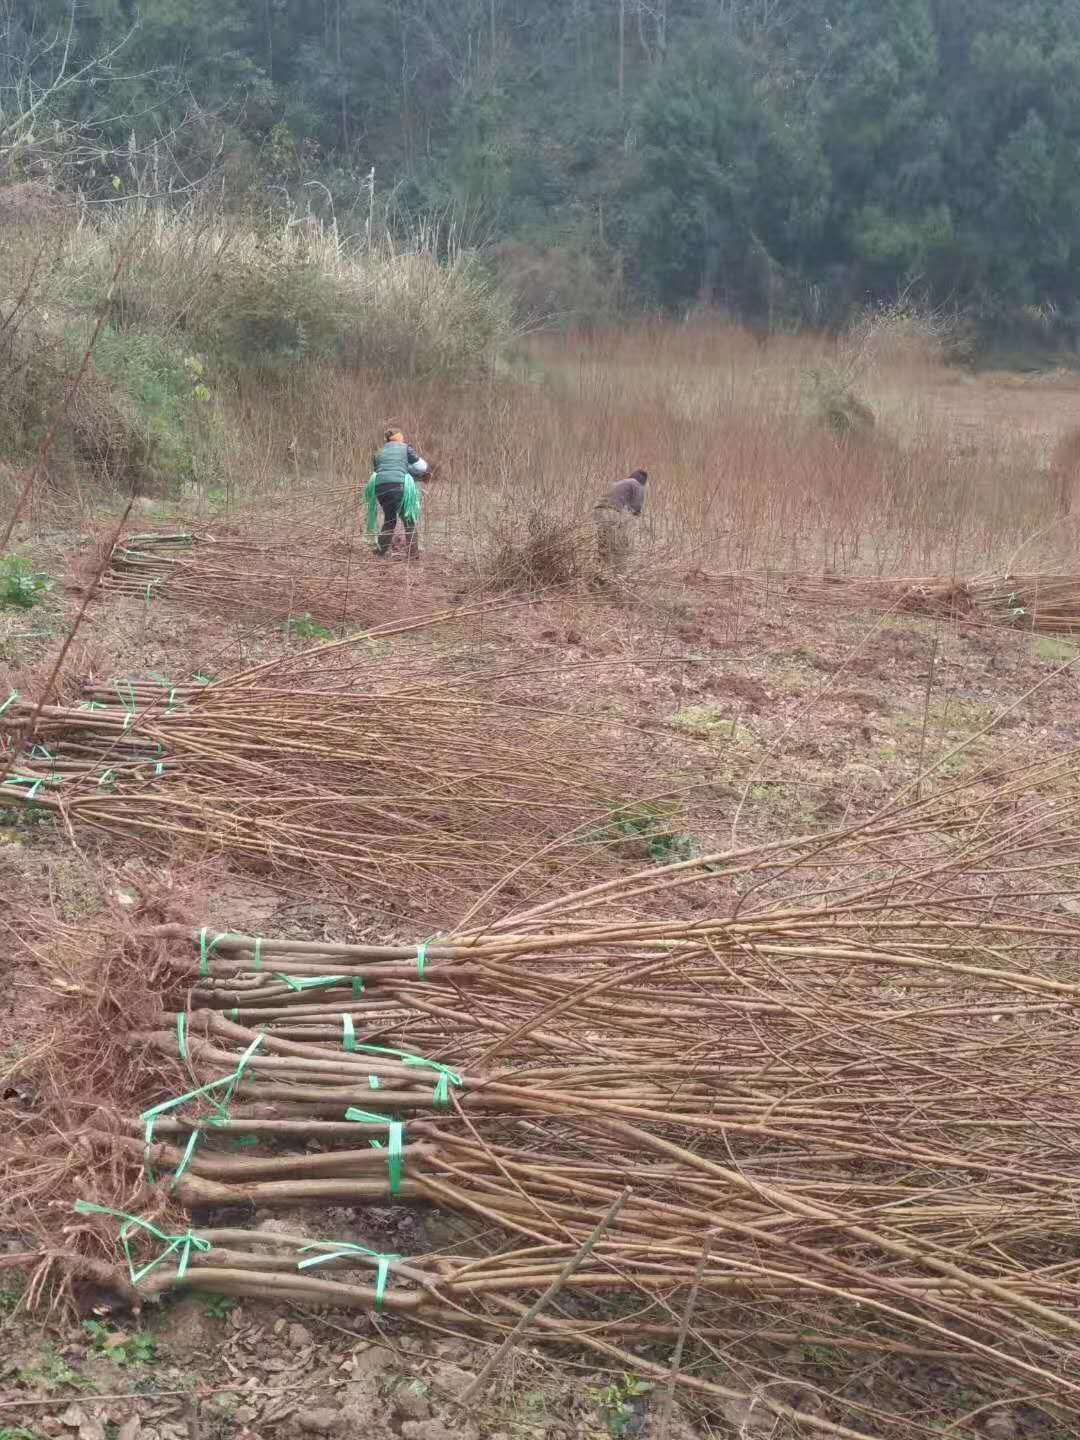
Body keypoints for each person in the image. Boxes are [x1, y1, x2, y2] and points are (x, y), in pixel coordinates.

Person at [365, 426, 431, 558]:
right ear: (399, 437)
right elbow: (421, 466)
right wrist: (423, 472)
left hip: (380, 487)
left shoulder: (378, 452)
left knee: (390, 519)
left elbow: (379, 470)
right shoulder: (405, 448)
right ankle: (413, 554)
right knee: (409, 519)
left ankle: (381, 552)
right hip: (399, 486)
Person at [595, 468, 648, 573]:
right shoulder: (637, 484)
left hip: (598, 510)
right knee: (617, 545)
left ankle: (600, 571)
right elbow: (636, 506)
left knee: (603, 543)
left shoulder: (621, 483)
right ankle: (616, 574)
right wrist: (635, 515)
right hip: (611, 512)